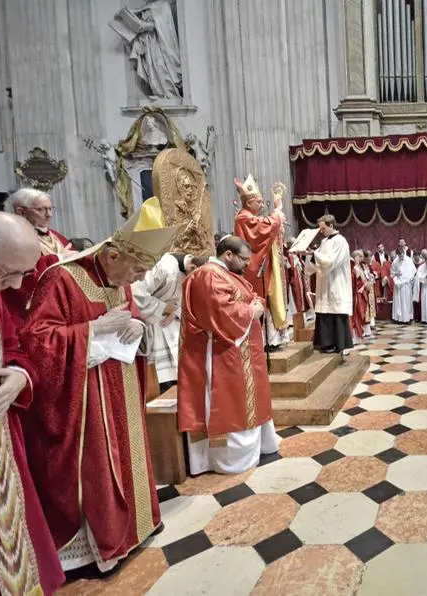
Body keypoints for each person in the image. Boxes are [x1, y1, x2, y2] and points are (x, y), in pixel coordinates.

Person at [21, 198, 181, 573]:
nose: (139, 279)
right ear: (112, 255)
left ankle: (138, 525)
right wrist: (90, 331)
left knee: (129, 454)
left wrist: (137, 326)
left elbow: (130, 317)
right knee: (99, 463)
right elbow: (34, 340)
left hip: (120, 385)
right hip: (85, 399)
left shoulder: (118, 279)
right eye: (138, 268)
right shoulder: (62, 278)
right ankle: (99, 545)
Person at [0, 213, 65, 595]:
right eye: (7, 273)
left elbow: (18, 347)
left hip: (0, 441)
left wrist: (19, 375)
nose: (15, 285)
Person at [177, 236, 280, 475]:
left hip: (240, 351)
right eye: (244, 259)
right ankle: (229, 459)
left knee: (249, 399)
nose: (247, 264)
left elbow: (251, 295)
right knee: (231, 404)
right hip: (221, 355)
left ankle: (257, 448)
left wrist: (254, 304)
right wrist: (251, 310)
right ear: (228, 255)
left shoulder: (226, 274)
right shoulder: (208, 276)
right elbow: (221, 314)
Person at [131, 252, 206, 394]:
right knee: (161, 384)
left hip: (174, 328)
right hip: (154, 328)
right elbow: (135, 293)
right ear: (192, 266)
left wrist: (176, 310)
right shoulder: (164, 267)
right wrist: (162, 307)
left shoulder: (194, 271)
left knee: (178, 381)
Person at [3, 188, 74, 324]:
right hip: (30, 313)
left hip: (63, 304)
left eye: (50, 209)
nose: (49, 215)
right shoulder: (12, 239)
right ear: (21, 211)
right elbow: (20, 280)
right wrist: (57, 259)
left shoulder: (56, 236)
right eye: (41, 209)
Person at [233, 175, 289, 348]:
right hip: (251, 268)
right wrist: (277, 210)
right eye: (259, 202)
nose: (262, 205)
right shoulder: (243, 217)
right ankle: (262, 341)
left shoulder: (248, 215)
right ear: (249, 203)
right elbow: (263, 228)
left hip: (260, 266)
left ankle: (271, 339)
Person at [305, 215, 353, 354]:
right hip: (324, 283)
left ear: (331, 226)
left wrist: (314, 254)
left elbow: (330, 262)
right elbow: (315, 265)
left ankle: (338, 345)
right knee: (325, 312)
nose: (321, 231)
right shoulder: (324, 241)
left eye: (323, 228)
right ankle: (326, 344)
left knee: (335, 312)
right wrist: (308, 255)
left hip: (336, 282)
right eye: (320, 228)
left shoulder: (340, 241)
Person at [283, 236, 310, 324]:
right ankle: (292, 320)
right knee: (294, 300)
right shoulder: (288, 256)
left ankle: (302, 318)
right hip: (293, 281)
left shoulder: (298, 255)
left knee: (301, 298)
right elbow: (289, 268)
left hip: (299, 279)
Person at [349, 250, 370, 342]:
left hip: (360, 293)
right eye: (360, 256)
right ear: (356, 257)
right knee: (355, 314)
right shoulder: (352, 267)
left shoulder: (359, 267)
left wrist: (364, 285)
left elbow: (364, 280)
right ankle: (354, 337)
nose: (362, 258)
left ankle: (358, 336)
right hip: (355, 294)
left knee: (360, 314)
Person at [391, 251, 416, 324]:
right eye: (399, 255)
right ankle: (398, 318)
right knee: (399, 301)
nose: (400, 256)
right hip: (398, 284)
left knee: (407, 301)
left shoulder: (409, 260)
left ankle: (408, 318)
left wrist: (408, 279)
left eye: (401, 254)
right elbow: (392, 273)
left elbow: (413, 271)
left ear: (403, 253)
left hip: (406, 284)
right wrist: (396, 273)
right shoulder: (395, 261)